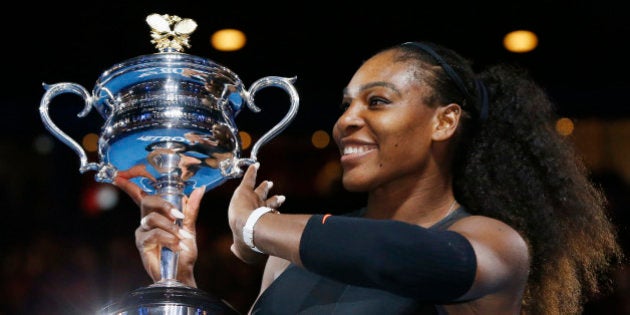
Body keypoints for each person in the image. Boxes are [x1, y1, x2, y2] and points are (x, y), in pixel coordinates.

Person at [115, 41, 624, 314]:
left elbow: (392, 256)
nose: (345, 122)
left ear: (445, 121)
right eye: (345, 106)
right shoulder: (286, 261)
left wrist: (254, 228)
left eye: (377, 101)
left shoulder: (495, 245)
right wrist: (180, 288)